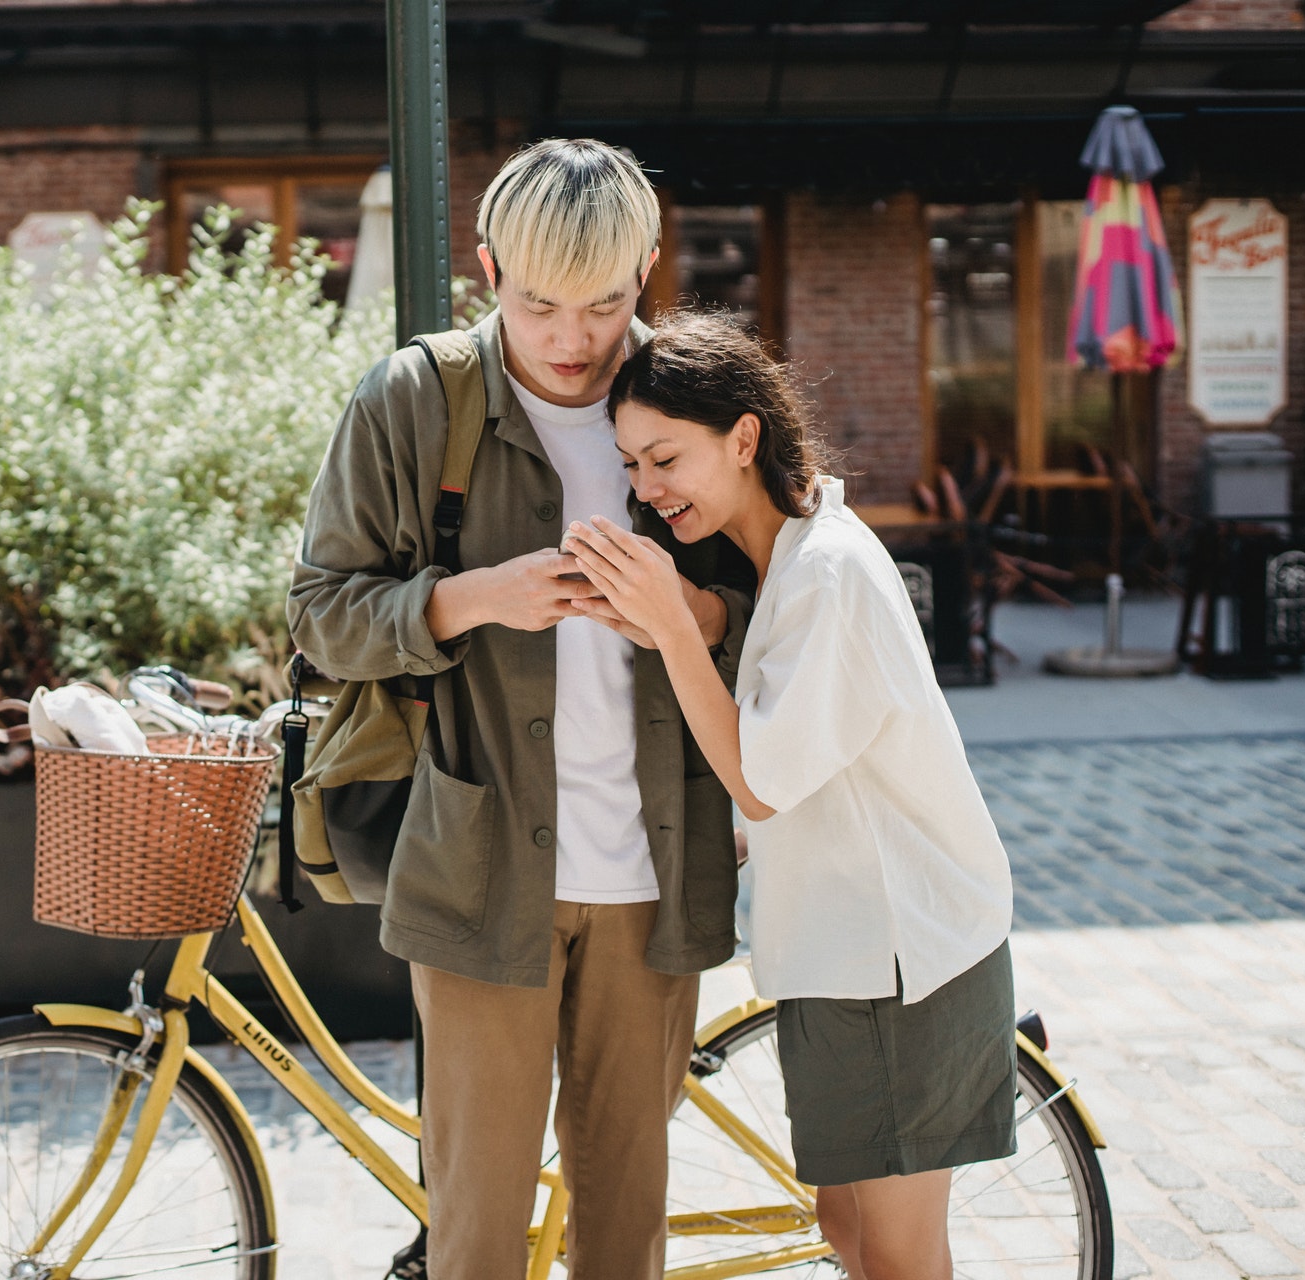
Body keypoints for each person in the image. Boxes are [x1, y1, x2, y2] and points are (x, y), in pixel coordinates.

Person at [287, 140, 756, 1278]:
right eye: (538, 303)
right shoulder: (415, 399)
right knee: (477, 1239)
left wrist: (691, 611)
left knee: (623, 1240)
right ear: (490, 266)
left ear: (647, 266)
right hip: (480, 871)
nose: (571, 339)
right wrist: (468, 599)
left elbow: (778, 594)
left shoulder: (696, 392)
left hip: (654, 873)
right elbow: (320, 613)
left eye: (604, 303)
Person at [561, 311, 1017, 1280]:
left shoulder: (830, 575)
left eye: (665, 458)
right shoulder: (787, 563)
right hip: (841, 959)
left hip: (901, 964)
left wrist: (671, 629)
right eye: (631, 464)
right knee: (851, 1235)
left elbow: (762, 782)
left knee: (896, 1254)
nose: (647, 488)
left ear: (743, 436)